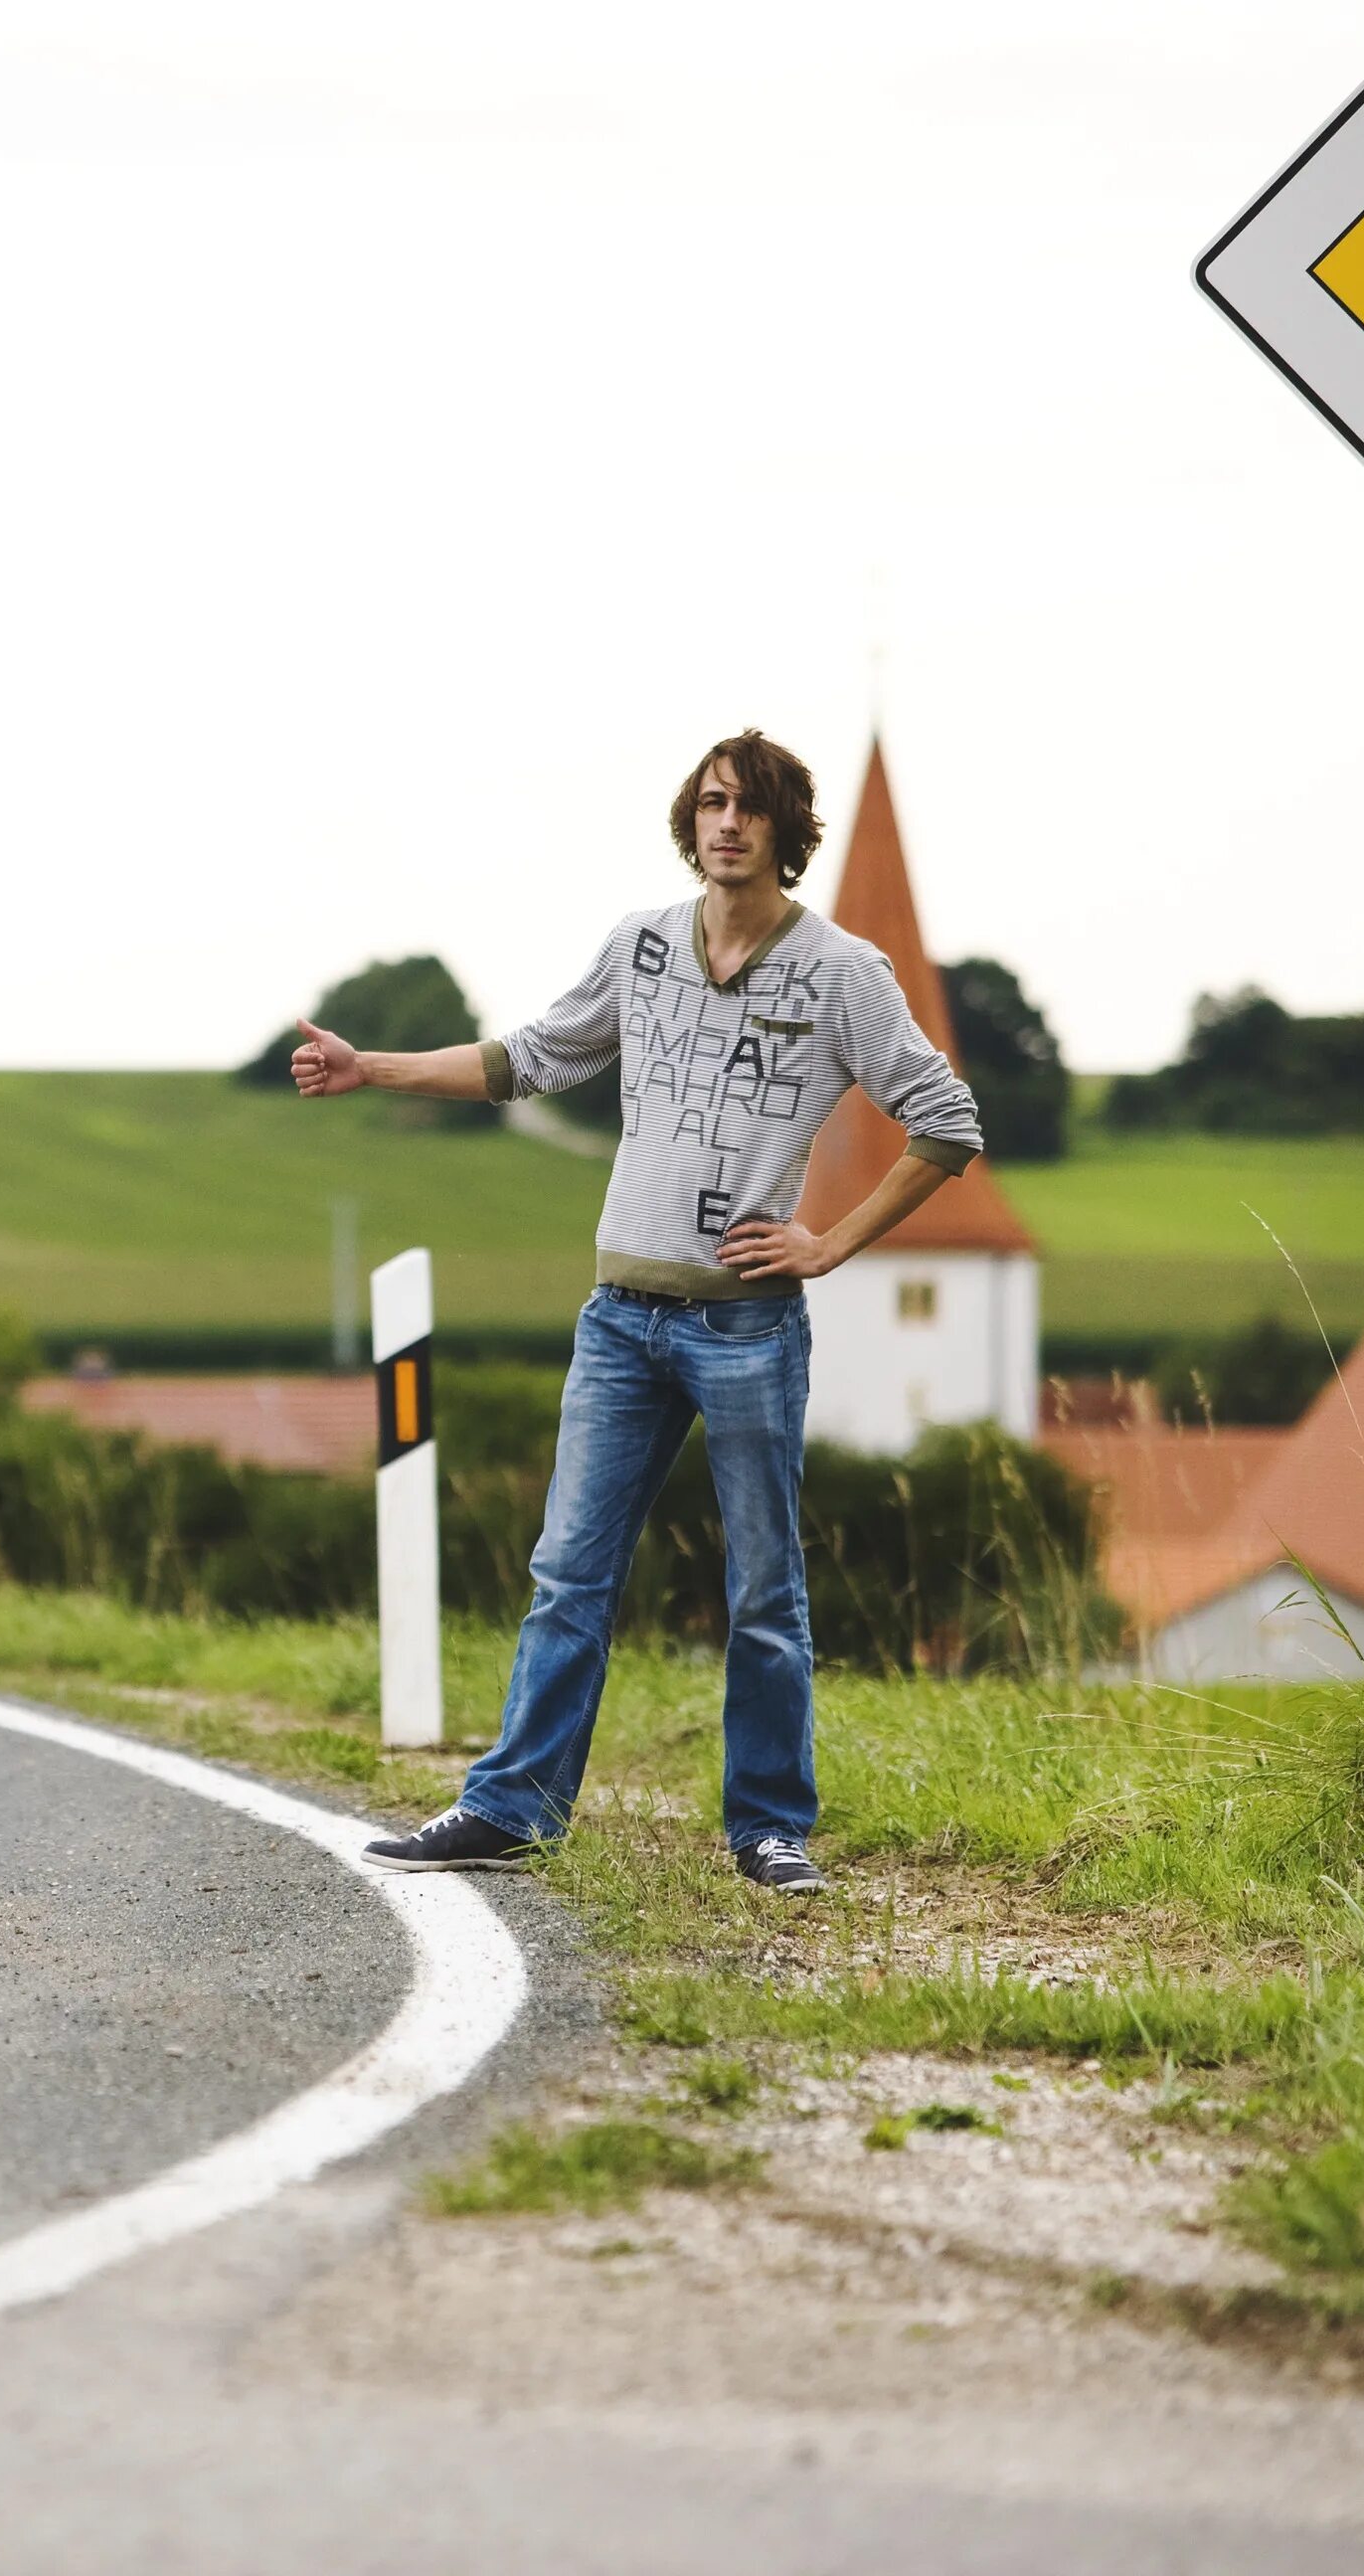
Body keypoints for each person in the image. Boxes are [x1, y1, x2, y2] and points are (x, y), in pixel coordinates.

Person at [289, 731, 982, 1894]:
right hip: (620, 1318)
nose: (727, 822)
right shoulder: (642, 946)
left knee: (763, 1587)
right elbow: (534, 1058)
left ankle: (768, 1827)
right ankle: (510, 1808)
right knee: (570, 1570)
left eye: (750, 807)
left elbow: (947, 1124)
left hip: (745, 1326)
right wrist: (376, 1068)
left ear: (784, 832)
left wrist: (825, 1244)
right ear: (691, 819)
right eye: (711, 802)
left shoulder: (842, 973)